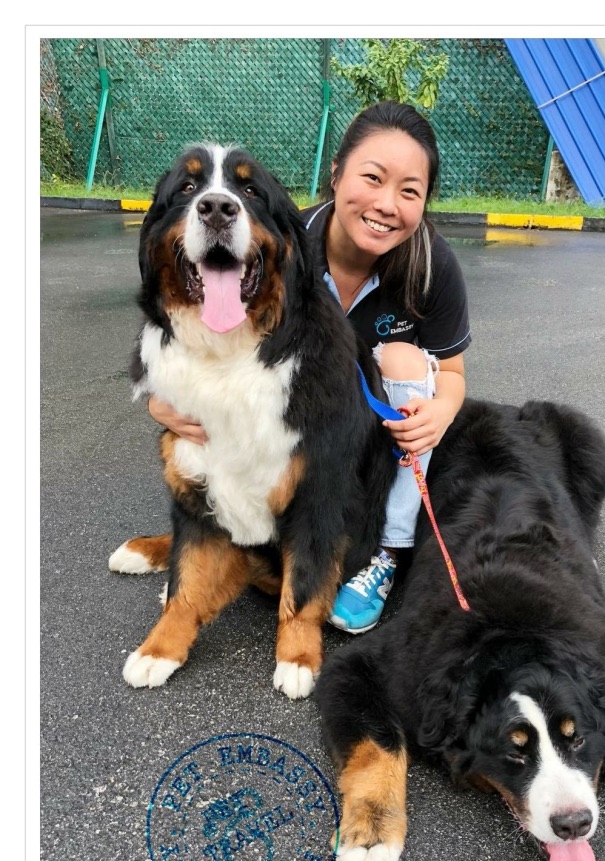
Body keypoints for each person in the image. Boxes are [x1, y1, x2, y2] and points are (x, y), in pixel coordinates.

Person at [147, 101, 472, 633]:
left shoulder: (432, 263)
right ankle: (224, 534)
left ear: (425, 202)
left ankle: (387, 549)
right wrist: (166, 400)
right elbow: (200, 344)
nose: (386, 204)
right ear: (337, 173)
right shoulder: (290, 239)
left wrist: (440, 411)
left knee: (401, 356)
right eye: (373, 178)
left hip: (372, 423)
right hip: (293, 405)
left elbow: (453, 372)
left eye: (409, 191)